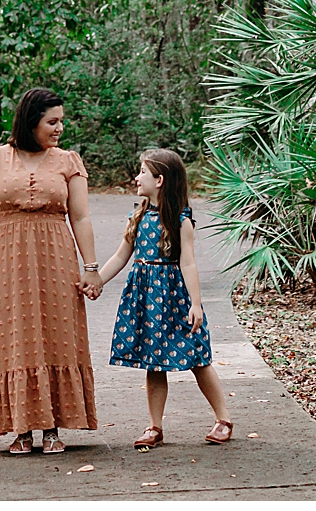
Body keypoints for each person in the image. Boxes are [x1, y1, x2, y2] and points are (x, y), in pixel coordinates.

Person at [0, 87, 102, 455]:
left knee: (57, 335)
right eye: (52, 122)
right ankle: (20, 429)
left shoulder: (68, 161)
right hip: (8, 257)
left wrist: (91, 268)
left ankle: (52, 427)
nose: (60, 128)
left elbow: (81, 217)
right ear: (31, 121)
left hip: (57, 258)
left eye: (62, 121)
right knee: (13, 337)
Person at [93, 148, 233, 447]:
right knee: (153, 363)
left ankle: (223, 419)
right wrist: (97, 281)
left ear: (159, 180)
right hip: (145, 298)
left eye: (142, 172)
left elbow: (188, 263)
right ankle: (154, 427)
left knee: (198, 357)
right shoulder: (139, 215)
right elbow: (121, 256)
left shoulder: (181, 220)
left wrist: (196, 304)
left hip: (174, 298)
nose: (136, 177)